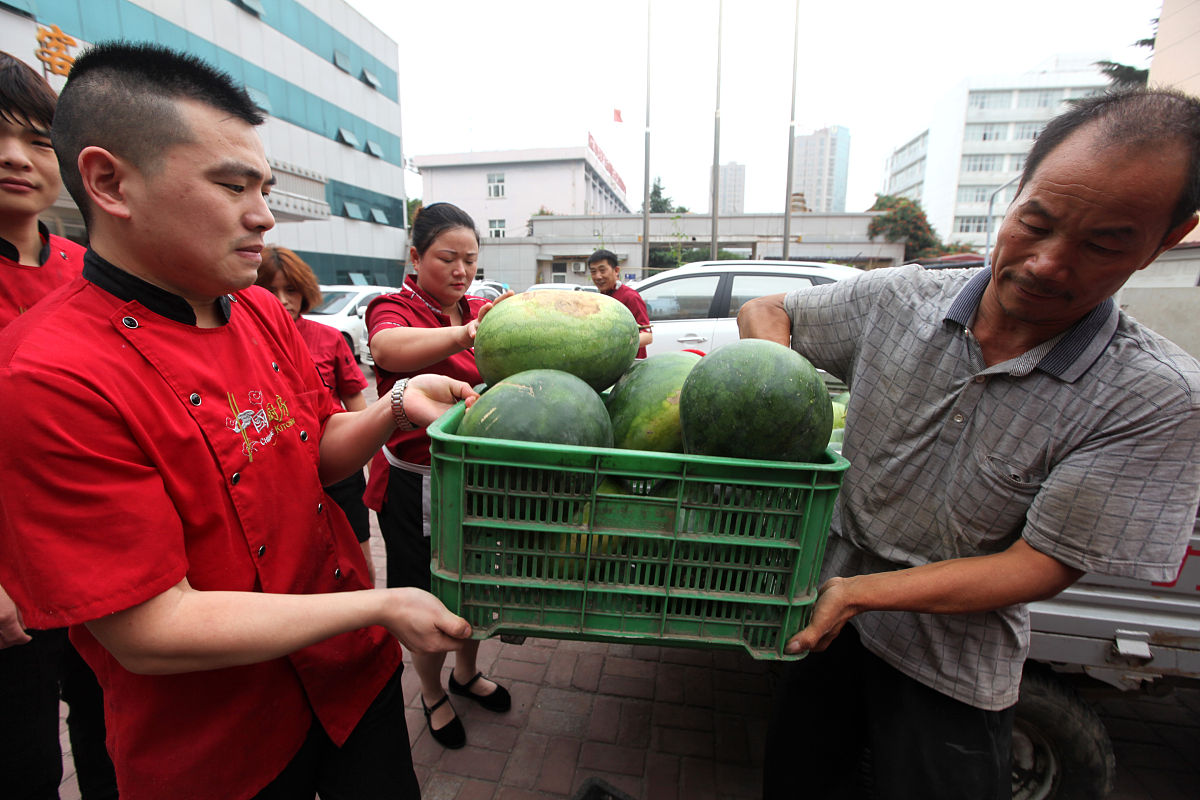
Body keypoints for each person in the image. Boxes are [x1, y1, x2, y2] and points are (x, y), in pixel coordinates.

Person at [0, 42, 480, 800]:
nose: (263, 215)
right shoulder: (48, 373)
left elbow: (314, 450)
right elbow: (151, 629)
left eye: (263, 187)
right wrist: (383, 603)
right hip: (220, 738)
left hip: (350, 677)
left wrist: (396, 405)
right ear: (109, 182)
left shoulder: (259, 310)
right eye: (232, 186)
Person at [741, 87, 1200, 799]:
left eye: (1103, 244)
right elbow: (767, 309)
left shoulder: (1154, 396)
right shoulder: (898, 300)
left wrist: (861, 594)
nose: (1048, 263)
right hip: (822, 621)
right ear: (1014, 196)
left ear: (1167, 240)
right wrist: (771, 381)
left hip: (952, 662)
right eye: (1035, 223)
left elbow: (1041, 564)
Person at [0, 50, 117, 799]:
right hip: (11, 586)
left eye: (37, 140)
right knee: (25, 765)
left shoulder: (88, 266)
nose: (16, 157)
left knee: (112, 742)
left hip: (98, 569)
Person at [364, 202, 514, 749]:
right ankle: (430, 691)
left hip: (477, 478)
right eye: (447, 258)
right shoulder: (393, 308)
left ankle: (466, 674)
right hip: (414, 484)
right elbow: (386, 349)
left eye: (470, 260)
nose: (461, 270)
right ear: (415, 256)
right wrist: (467, 335)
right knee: (424, 595)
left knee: (474, 584)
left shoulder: (478, 308)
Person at [255, 246, 377, 583]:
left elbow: (355, 401)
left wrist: (372, 466)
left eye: (291, 289)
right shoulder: (245, 343)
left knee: (359, 556)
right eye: (270, 289)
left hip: (337, 464)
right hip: (282, 473)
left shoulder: (329, 338)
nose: (283, 300)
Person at [588, 248, 652, 357]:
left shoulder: (630, 297)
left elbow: (647, 336)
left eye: (602, 270)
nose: (598, 276)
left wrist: (615, 345)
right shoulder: (598, 299)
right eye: (593, 272)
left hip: (630, 363)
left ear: (616, 270)